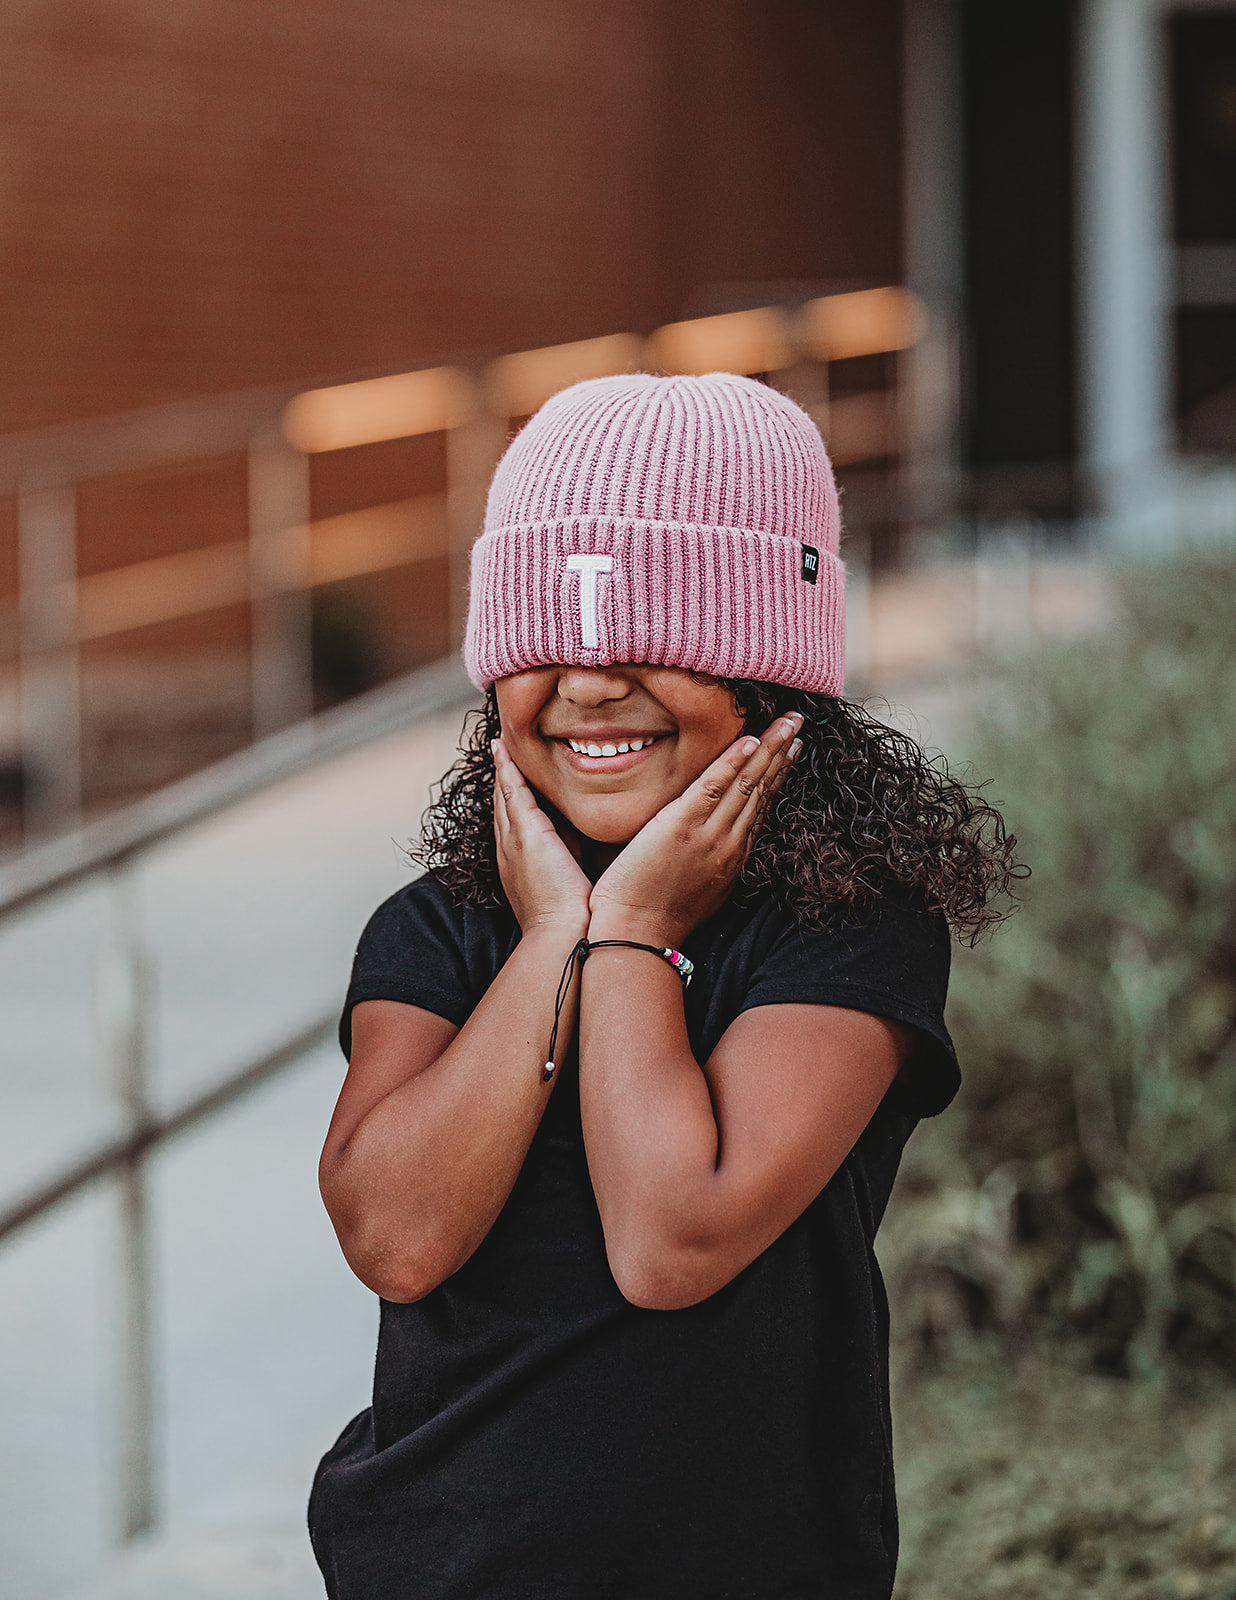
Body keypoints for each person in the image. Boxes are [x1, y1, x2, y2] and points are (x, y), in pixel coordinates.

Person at [308, 372, 1020, 1600]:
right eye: (551, 643)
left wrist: (629, 924)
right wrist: (549, 943)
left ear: (768, 672)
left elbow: (670, 1239)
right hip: (428, 1567)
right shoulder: (443, 931)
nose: (589, 683)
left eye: (653, 637)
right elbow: (399, 1237)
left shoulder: (847, 936)